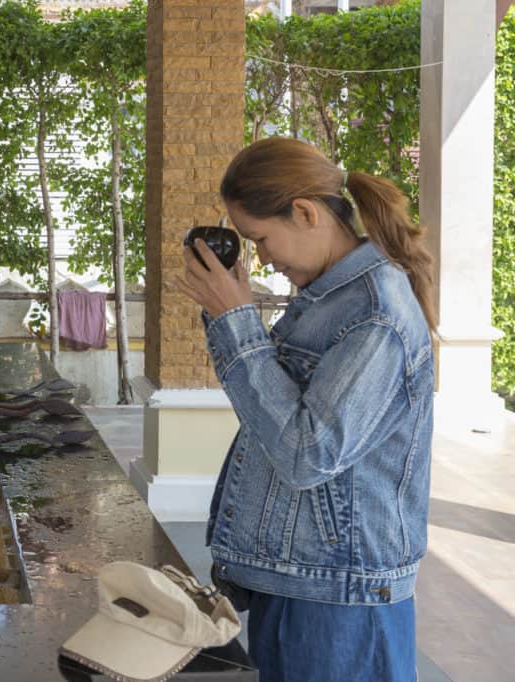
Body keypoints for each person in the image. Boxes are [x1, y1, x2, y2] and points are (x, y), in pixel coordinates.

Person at [177, 137, 435, 682]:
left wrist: (238, 322)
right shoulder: (327, 298)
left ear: (305, 212)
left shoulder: (376, 315)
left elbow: (306, 452)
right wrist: (231, 315)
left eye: (262, 239)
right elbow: (273, 413)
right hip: (301, 580)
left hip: (343, 597)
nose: (264, 257)